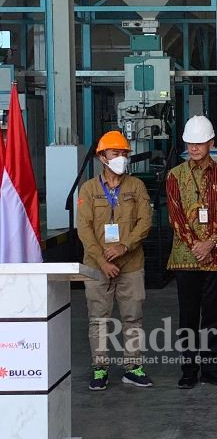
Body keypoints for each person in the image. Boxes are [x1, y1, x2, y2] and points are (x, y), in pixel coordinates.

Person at [77, 131, 153, 391]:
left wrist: (125, 246)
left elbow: (145, 222)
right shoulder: (88, 189)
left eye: (124, 153)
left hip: (131, 264)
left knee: (133, 317)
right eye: (115, 153)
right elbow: (84, 229)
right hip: (97, 267)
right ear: (102, 157)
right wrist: (102, 260)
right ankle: (100, 369)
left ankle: (133, 367)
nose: (121, 158)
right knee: (99, 319)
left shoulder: (136, 187)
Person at [166, 115, 217, 389]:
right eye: (190, 143)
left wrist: (210, 244)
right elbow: (175, 217)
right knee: (188, 315)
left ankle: (210, 368)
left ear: (210, 143)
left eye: (199, 143)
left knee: (212, 315)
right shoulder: (175, 176)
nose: (194, 148)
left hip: (216, 259)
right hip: (185, 258)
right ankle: (188, 369)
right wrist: (197, 245)